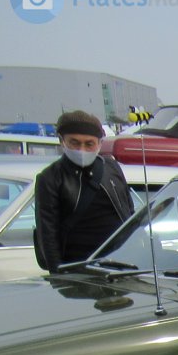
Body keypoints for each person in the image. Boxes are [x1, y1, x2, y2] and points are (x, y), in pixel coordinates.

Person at [34, 109, 133, 273]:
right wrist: (59, 273)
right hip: (78, 268)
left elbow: (129, 211)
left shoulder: (111, 168)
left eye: (89, 144)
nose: (82, 149)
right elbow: (47, 234)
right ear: (62, 141)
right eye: (75, 143)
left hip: (120, 264)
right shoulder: (50, 178)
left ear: (99, 144)